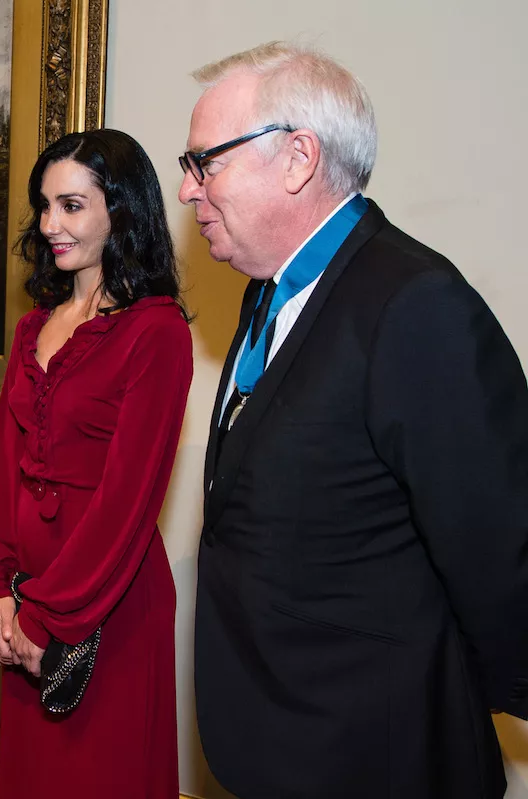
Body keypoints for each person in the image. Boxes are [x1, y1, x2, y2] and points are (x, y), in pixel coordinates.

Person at [181, 42, 528, 799]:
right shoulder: (267, 289)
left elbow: (497, 547)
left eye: (204, 162)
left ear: (298, 158)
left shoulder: (415, 304)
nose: (187, 189)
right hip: (278, 735)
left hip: (377, 750)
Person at [0, 129, 190, 797]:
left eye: (71, 205)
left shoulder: (158, 331)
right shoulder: (33, 328)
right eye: (44, 206)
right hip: (29, 602)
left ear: (121, 211)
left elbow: (128, 503)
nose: (49, 225)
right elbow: (5, 476)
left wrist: (45, 615)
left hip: (108, 609)